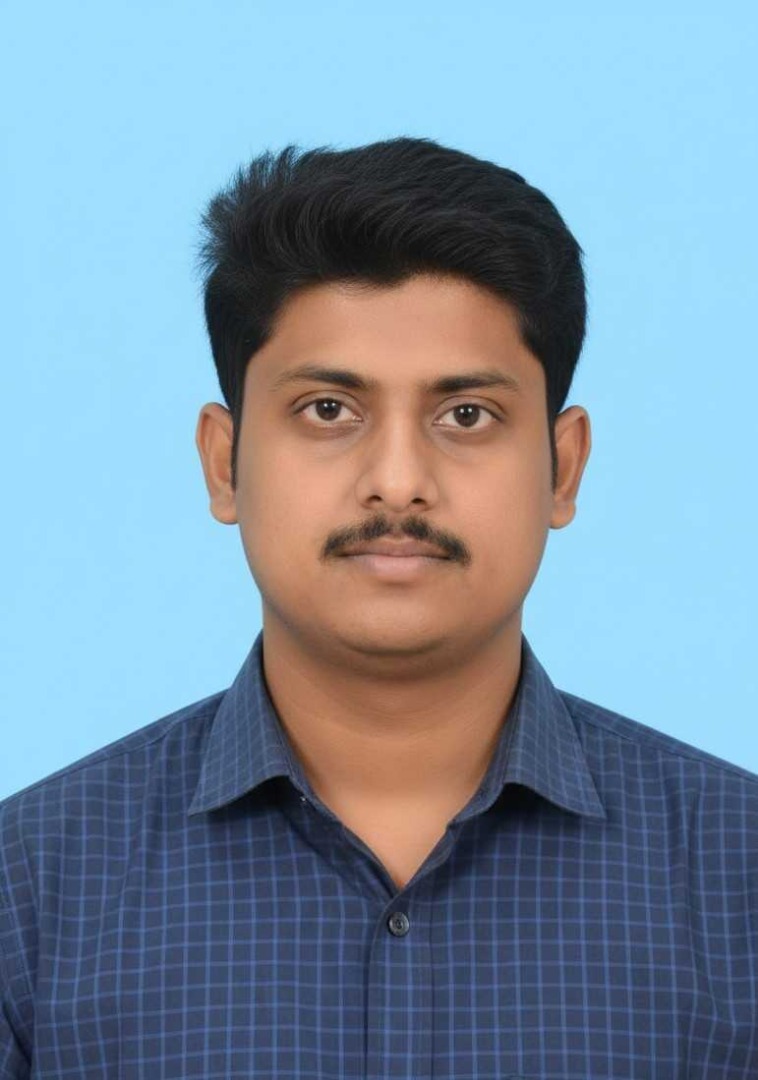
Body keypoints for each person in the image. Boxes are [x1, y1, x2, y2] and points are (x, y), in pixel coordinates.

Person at [1, 137, 756, 1080]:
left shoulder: (739, 882)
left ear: (562, 469)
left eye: (466, 415)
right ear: (222, 462)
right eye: (328, 410)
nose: (398, 482)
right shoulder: (30, 893)